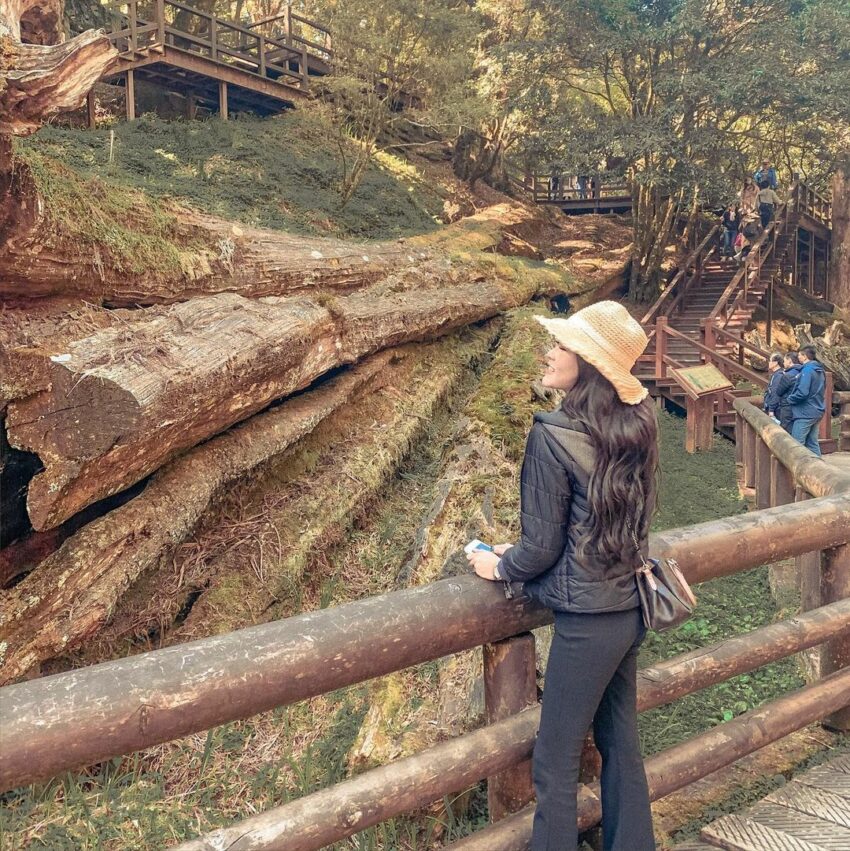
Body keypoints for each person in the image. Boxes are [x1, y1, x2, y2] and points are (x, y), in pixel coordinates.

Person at [467, 301, 657, 851]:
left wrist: (500, 565)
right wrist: (522, 555)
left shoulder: (552, 434)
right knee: (620, 747)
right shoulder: (638, 425)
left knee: (554, 763)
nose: (549, 353)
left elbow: (541, 549)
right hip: (628, 609)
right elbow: (600, 526)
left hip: (587, 623)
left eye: (562, 346)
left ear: (588, 364)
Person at [787, 345, 826, 457]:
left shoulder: (807, 371)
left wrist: (790, 399)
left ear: (804, 356)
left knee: (796, 445)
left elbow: (802, 392)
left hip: (805, 412)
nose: (798, 357)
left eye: (799, 355)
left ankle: (796, 471)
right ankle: (820, 470)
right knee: (812, 443)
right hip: (817, 409)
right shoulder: (820, 370)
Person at [776, 351, 802, 432]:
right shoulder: (803, 372)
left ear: (790, 361)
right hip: (801, 405)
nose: (783, 363)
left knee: (786, 430)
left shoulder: (788, 375)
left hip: (787, 406)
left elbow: (779, 391)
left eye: (784, 361)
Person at [763, 354, 785, 421]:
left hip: (777, 409)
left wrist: (771, 409)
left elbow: (775, 393)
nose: (769, 363)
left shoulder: (778, 376)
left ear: (775, 363)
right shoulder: (776, 374)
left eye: (770, 361)